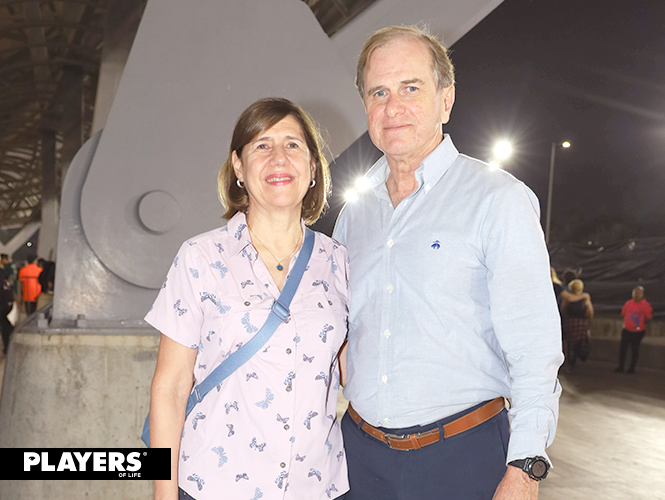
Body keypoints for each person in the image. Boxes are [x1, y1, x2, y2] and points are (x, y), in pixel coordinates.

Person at [333, 25, 563, 500]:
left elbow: (534, 347)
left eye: (410, 88)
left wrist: (525, 468)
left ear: (446, 99)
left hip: (463, 460)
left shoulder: (498, 200)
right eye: (378, 92)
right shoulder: (354, 215)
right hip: (359, 459)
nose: (393, 106)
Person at [146, 97, 349, 500]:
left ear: (312, 167)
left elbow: (352, 375)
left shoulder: (337, 260)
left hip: (316, 488)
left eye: (293, 144)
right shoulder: (200, 257)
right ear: (238, 166)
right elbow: (169, 389)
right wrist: (164, 495)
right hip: (215, 486)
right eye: (262, 145)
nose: (279, 157)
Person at [615, 286, 652, 374]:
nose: (636, 295)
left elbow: (649, 317)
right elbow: (623, 313)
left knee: (634, 350)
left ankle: (632, 368)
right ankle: (621, 366)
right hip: (627, 329)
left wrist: (639, 322)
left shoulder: (645, 305)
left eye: (639, 293)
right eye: (635, 293)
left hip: (638, 331)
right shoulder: (628, 303)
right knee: (623, 349)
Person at [560, 279, 594, 370]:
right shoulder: (585, 298)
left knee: (569, 343)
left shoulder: (568, 298)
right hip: (581, 323)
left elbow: (563, 309)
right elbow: (589, 311)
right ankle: (574, 360)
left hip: (570, 322)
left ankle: (569, 362)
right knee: (578, 342)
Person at [0, 255, 15, 355]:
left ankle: (7, 347)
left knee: (5, 324)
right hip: (4, 302)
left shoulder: (3, 272)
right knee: (5, 325)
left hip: (3, 302)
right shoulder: (3, 272)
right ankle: (7, 347)